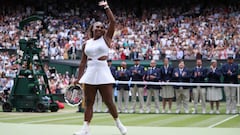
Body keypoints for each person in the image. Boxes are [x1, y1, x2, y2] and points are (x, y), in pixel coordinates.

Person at [74, 1, 127, 135]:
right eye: (96, 27)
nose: (98, 28)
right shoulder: (86, 44)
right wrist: (78, 79)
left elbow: (113, 22)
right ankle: (85, 129)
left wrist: (106, 7)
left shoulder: (106, 39)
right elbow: (82, 63)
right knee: (89, 102)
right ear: (92, 29)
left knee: (108, 101)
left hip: (103, 72)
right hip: (90, 72)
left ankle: (119, 124)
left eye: (101, 27)